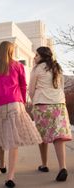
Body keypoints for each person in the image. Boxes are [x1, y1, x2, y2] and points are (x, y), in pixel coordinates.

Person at [0, 41, 42, 188]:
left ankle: (2, 163)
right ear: (11, 51)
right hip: (15, 104)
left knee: (0, 135)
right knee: (13, 139)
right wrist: (22, 101)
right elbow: (23, 85)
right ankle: (10, 176)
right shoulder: (18, 66)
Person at [29, 46, 72, 182]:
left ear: (42, 56)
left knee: (42, 136)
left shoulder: (37, 69)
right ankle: (62, 167)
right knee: (58, 138)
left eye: (36, 55)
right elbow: (61, 87)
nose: (34, 57)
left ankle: (44, 164)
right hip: (59, 106)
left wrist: (33, 101)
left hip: (43, 106)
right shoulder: (57, 68)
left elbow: (31, 89)